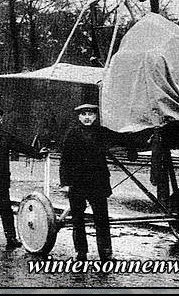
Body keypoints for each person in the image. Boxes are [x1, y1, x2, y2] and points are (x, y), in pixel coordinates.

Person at [0, 107, 46, 248]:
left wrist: (38, 153)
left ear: (2, 120)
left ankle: (11, 237)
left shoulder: (6, 137)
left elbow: (21, 147)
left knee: (5, 208)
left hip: (1, 179)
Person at [59, 103, 114, 261]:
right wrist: (65, 183)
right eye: (84, 114)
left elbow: (121, 139)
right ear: (79, 117)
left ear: (95, 116)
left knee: (102, 219)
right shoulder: (72, 134)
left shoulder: (101, 132)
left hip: (98, 183)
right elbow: (65, 160)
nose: (87, 117)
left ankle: (105, 252)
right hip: (77, 183)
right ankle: (81, 252)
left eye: (90, 114)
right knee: (77, 219)